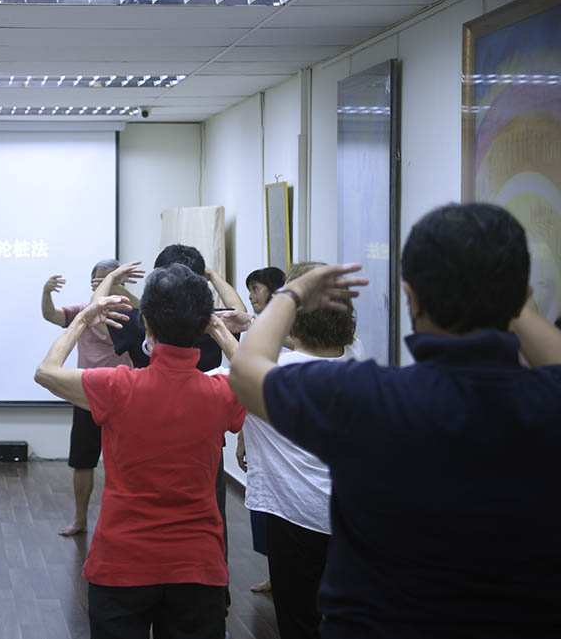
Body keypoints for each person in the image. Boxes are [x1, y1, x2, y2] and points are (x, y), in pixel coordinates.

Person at [230, 202, 561, 638]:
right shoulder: (548, 402)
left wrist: (291, 295)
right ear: (521, 296)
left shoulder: (366, 397)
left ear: (412, 297)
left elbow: (246, 371)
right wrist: (508, 297)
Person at [35, 262, 245, 639]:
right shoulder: (221, 392)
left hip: (122, 563)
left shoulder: (117, 387)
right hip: (198, 567)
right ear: (201, 325)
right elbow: (261, 378)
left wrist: (83, 319)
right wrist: (217, 329)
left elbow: (46, 372)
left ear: (145, 323)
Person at [239, 262, 358, 639]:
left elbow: (244, 369)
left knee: (299, 622)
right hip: (354, 518)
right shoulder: (359, 361)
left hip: (297, 518)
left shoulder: (277, 374)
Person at [40, 260, 136, 536]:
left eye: (112, 278)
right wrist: (46, 292)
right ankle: (80, 519)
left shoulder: (133, 315)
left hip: (123, 395)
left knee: (128, 462)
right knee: (83, 461)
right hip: (88, 395)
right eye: (100, 279)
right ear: (92, 283)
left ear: (122, 282)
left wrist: (116, 287)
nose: (105, 284)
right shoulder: (84, 312)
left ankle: (127, 522)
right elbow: (52, 315)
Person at [237, 265, 287, 595]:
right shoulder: (252, 329)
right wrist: (242, 437)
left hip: (284, 433)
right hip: (258, 430)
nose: (252, 295)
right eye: (250, 289)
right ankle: (275, 573)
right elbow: (245, 386)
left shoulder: (288, 329)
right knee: (264, 506)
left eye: (256, 288)